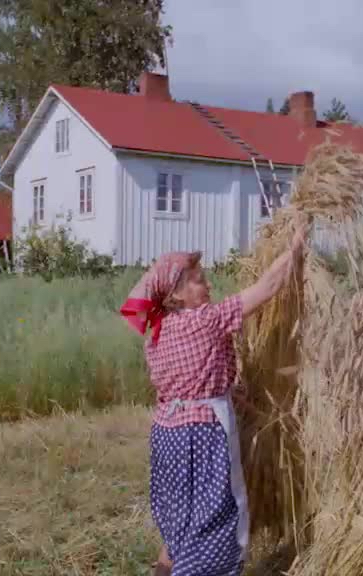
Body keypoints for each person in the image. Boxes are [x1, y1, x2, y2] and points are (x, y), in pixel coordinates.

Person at [120, 226, 306, 576]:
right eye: (199, 281)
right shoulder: (207, 320)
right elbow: (267, 288)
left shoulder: (157, 334)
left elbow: (187, 381)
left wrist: (231, 391)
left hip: (167, 436)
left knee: (179, 518)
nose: (208, 286)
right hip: (201, 437)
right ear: (177, 295)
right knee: (213, 520)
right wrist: (295, 247)